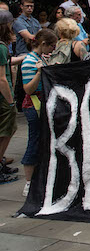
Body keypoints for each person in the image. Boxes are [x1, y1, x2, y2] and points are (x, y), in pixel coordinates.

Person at [21, 28, 58, 196]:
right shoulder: (30, 61)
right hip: (33, 106)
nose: (53, 50)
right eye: (52, 46)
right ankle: (28, 183)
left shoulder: (38, 58)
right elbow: (28, 89)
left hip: (39, 104)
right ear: (43, 44)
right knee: (34, 142)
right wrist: (39, 73)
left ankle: (34, 180)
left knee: (39, 141)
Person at [0, 11, 20, 183]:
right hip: (3, 98)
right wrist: (10, 101)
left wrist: (22, 58)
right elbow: (1, 78)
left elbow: (7, 62)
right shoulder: (1, 47)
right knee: (6, 131)